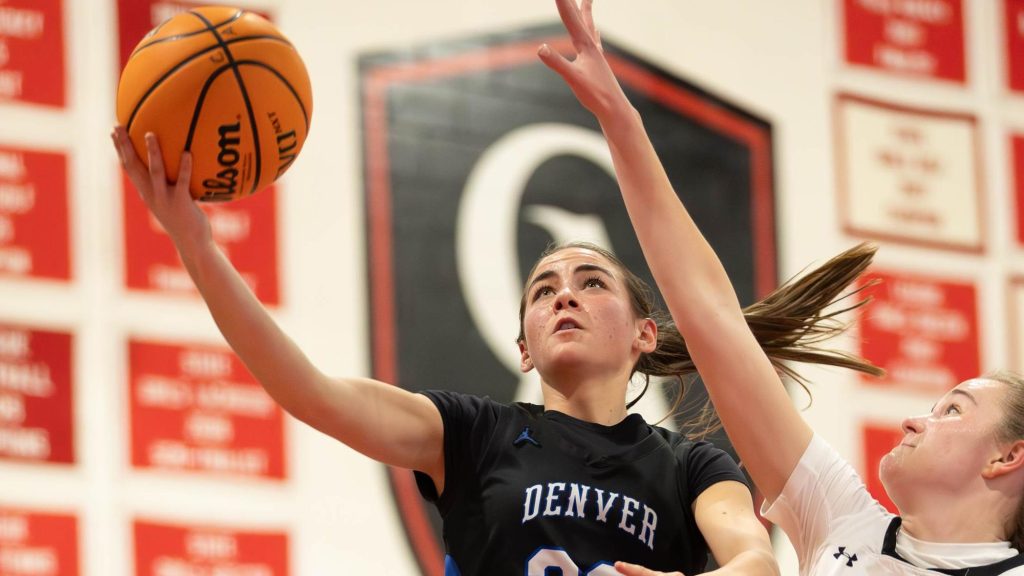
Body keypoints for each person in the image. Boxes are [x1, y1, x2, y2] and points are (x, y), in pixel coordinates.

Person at [111, 1, 882, 574]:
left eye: (588, 281)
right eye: (543, 290)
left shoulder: (688, 467)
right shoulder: (472, 436)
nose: (563, 296)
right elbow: (305, 389)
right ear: (523, 346)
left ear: (646, 333)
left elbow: (756, 558)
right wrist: (198, 246)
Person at [533, 1, 1024, 575]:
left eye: (951, 410)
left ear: (1008, 455)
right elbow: (710, 314)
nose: (915, 421)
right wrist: (620, 119)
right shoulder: (843, 520)